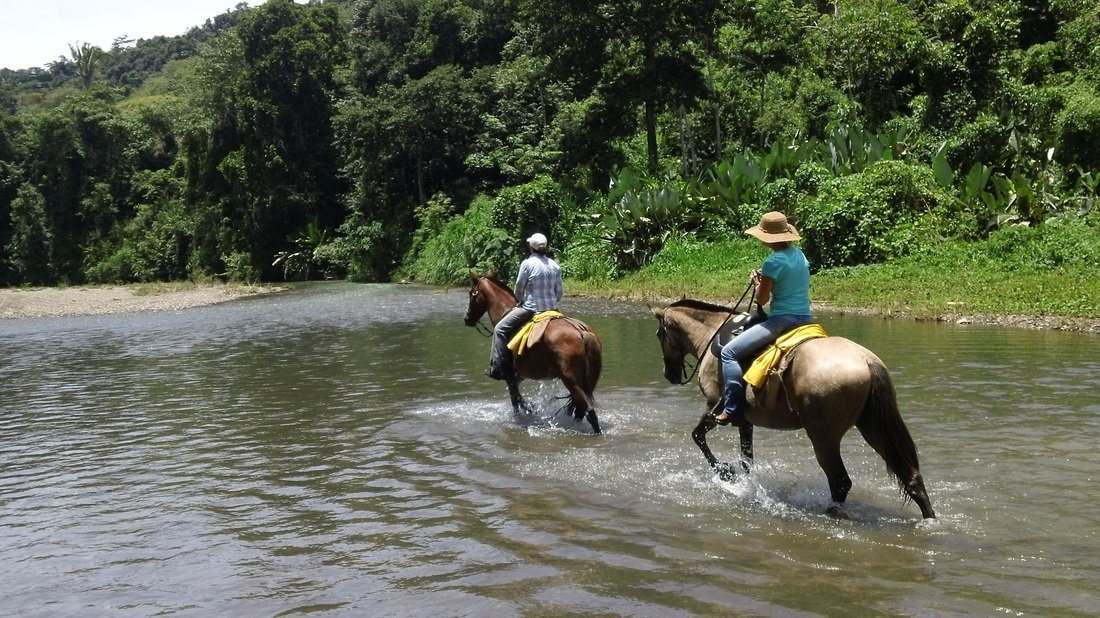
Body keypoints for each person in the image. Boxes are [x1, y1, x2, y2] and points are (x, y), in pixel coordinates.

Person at [714, 211, 814, 425]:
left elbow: (762, 299)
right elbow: (789, 279)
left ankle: (732, 408)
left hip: (781, 321)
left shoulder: (772, 262)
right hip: (806, 319)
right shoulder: (801, 255)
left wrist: (757, 282)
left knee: (729, 353)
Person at [487, 232, 564, 380]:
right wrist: (551, 303)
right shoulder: (554, 265)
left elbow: (518, 288)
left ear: (532, 248)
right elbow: (559, 292)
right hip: (553, 309)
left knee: (500, 329)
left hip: (531, 308)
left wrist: (520, 302)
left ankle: (497, 367)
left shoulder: (527, 264)